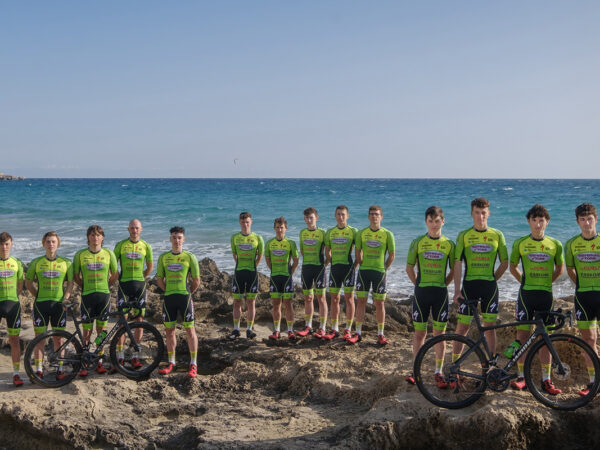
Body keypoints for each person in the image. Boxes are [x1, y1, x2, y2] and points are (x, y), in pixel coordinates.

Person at [509, 204, 564, 393]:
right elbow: (513, 266)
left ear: (547, 222)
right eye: (534, 220)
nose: (538, 224)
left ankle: (546, 380)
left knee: (545, 338)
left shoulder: (555, 244)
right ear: (529, 221)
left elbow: (560, 269)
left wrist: (547, 283)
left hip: (546, 296)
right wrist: (525, 282)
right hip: (526, 296)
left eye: (541, 220)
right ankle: (521, 377)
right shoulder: (520, 243)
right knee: (522, 336)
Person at [452, 198, 508, 370]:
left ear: (488, 213)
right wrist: (456, 290)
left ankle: (490, 365)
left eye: (483, 213)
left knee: (489, 327)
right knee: (463, 326)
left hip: (489, 288)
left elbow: (505, 262)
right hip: (469, 287)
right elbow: (457, 263)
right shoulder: (464, 235)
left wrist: (492, 280)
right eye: (477, 212)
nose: (480, 216)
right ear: (472, 213)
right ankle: (455, 364)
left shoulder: (497, 235)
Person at [405, 207, 455, 386]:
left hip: (440, 294)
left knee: (439, 334)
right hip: (421, 293)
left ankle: (438, 371)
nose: (434, 224)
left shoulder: (449, 244)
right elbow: (409, 268)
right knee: (420, 333)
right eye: (430, 221)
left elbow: (454, 270)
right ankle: (416, 370)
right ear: (426, 222)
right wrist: (418, 284)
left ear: (443, 221)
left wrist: (445, 284)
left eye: (437, 221)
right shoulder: (417, 242)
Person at [26, 231, 74, 380]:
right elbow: (28, 283)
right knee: (39, 339)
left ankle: (60, 369)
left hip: (59, 305)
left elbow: (70, 284)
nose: (51, 244)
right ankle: (39, 370)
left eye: (53, 241)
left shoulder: (66, 263)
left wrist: (65, 298)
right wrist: (37, 296)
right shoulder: (36, 262)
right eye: (48, 241)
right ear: (43, 244)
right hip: (41, 305)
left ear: (58, 244)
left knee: (59, 339)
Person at [564, 203, 600, 396]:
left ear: (596, 219)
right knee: (588, 340)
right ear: (578, 221)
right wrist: (581, 284)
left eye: (590, 219)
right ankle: (594, 382)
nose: (587, 223)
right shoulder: (571, 244)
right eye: (583, 219)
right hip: (583, 296)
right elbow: (570, 269)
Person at [73, 225, 118, 376]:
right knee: (87, 330)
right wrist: (85, 286)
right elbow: (76, 276)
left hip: (104, 296)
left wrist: (106, 286)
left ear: (102, 237)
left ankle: (98, 361)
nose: (95, 238)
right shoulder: (80, 254)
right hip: (87, 296)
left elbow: (114, 274)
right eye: (92, 235)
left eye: (98, 235)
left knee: (101, 331)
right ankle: (85, 362)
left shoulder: (109, 254)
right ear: (88, 237)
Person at [156, 226, 200, 378]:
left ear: (184, 239)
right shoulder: (163, 257)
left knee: (190, 330)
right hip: (169, 298)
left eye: (179, 237)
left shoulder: (190, 257)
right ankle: (171, 362)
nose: (177, 240)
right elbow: (159, 279)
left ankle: (193, 364)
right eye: (174, 237)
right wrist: (167, 291)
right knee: (169, 331)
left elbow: (196, 280)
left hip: (185, 298)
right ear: (170, 239)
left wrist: (188, 293)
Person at [347, 205, 395, 345]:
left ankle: (380, 334)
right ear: (368, 217)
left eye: (377, 214)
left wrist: (385, 268)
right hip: (364, 272)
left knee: (379, 303)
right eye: (372, 214)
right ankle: (358, 333)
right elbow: (358, 252)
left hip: (379, 272)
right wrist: (361, 263)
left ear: (381, 217)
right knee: (361, 301)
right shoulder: (362, 233)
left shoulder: (387, 234)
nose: (374, 216)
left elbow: (392, 255)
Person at [113, 219, 154, 370]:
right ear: (128, 229)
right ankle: (120, 356)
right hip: (124, 286)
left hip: (139, 287)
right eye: (132, 228)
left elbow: (150, 267)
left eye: (137, 228)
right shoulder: (121, 245)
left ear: (141, 229)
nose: (134, 230)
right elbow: (113, 265)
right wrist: (119, 278)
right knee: (121, 321)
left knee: (139, 320)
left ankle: (135, 355)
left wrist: (141, 277)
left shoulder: (146, 246)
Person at [323, 205, 357, 340]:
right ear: (335, 216)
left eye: (343, 214)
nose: (341, 217)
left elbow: (360, 250)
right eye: (338, 214)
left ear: (347, 216)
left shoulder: (353, 231)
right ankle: (334, 329)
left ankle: (348, 329)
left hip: (348, 268)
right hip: (335, 269)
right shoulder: (330, 232)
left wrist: (356, 265)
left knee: (349, 298)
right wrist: (330, 261)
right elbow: (327, 250)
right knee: (334, 299)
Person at [229, 212, 264, 340]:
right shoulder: (235, 237)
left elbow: (260, 255)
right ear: (240, 222)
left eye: (247, 222)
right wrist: (241, 265)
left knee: (251, 302)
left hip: (252, 273)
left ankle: (249, 329)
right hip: (239, 272)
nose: (245, 224)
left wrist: (253, 266)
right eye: (243, 222)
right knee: (237, 301)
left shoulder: (258, 238)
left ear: (251, 222)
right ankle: (236, 329)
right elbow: (235, 255)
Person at [264, 217, 299, 340]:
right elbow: (268, 260)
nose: (279, 230)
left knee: (288, 304)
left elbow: (295, 261)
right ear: (274, 228)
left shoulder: (291, 243)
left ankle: (290, 330)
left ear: (286, 228)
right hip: (275, 277)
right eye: (277, 227)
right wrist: (274, 270)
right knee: (276, 304)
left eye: (282, 228)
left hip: (287, 277)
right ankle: (276, 331)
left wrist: (290, 272)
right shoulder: (269, 243)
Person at [296, 207, 328, 338]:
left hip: (319, 268)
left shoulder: (323, 233)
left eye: (311, 218)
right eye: (307, 218)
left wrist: (324, 264)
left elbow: (328, 252)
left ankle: (322, 327)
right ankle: (308, 326)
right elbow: (302, 251)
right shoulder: (302, 233)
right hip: (306, 268)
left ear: (316, 218)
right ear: (304, 219)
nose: (309, 220)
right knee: (308, 298)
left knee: (321, 298)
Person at [0, 232, 25, 387]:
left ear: (11, 244)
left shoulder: (17, 263)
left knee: (14, 340)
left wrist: (13, 297)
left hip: (13, 305)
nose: (4, 247)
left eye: (7, 244)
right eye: (1, 244)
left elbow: (20, 285)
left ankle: (16, 374)